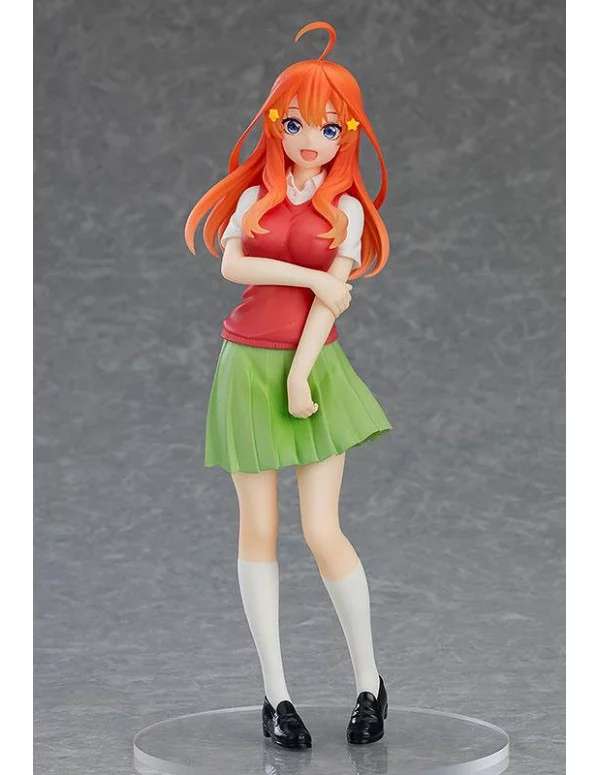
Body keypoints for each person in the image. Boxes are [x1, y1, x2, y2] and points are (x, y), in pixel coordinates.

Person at [185, 20, 392, 748]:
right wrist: (310, 278)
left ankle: (369, 682)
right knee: (259, 530)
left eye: (329, 127)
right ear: (275, 122)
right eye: (297, 122)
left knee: (321, 528)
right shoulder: (257, 197)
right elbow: (233, 266)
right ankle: (275, 694)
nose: (311, 140)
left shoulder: (348, 211)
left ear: (348, 134)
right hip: (246, 365)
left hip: (314, 368)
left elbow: (330, 306)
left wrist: (302, 372)